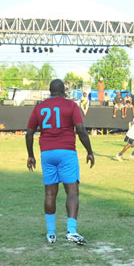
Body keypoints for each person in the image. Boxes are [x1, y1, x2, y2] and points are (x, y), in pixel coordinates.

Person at [26, 79, 95, 244]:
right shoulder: (71, 106)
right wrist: (90, 151)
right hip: (66, 151)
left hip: (47, 153)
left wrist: (31, 155)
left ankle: (51, 233)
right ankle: (71, 231)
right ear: (64, 90)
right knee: (72, 191)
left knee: (50, 193)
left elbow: (29, 133)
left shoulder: (39, 107)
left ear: (49, 91)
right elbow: (81, 130)